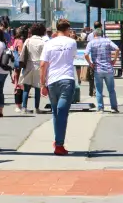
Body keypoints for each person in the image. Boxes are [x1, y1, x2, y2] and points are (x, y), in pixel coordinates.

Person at [40, 18, 78, 155]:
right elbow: (72, 57)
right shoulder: (72, 42)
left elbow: (43, 64)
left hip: (52, 81)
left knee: (56, 112)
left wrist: (42, 84)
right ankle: (59, 144)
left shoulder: (49, 43)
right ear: (67, 29)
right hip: (67, 79)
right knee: (61, 112)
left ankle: (58, 141)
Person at [85, 27, 120, 113]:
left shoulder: (91, 43)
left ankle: (100, 108)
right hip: (108, 68)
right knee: (111, 89)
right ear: (102, 34)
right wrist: (114, 60)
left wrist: (90, 63)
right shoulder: (107, 41)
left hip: (98, 69)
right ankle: (114, 107)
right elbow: (117, 49)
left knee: (99, 90)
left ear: (94, 34)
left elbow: (86, 54)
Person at [19, 22, 46, 113]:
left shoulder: (28, 41)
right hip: (39, 66)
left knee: (26, 88)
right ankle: (37, 108)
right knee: (38, 88)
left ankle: (24, 108)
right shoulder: (43, 42)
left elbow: (22, 54)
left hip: (29, 65)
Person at [12, 26, 27, 112]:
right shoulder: (21, 41)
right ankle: (19, 106)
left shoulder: (15, 41)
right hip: (21, 65)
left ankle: (18, 105)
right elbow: (22, 54)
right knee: (20, 85)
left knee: (17, 84)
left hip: (16, 66)